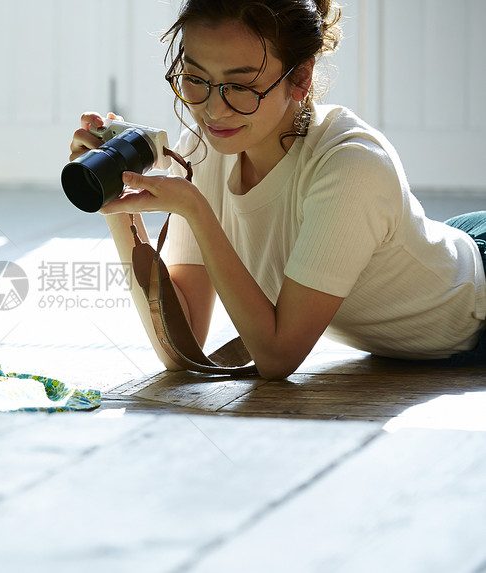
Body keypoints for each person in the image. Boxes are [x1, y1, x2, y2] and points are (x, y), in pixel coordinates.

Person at [69, 0, 486, 379]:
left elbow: (277, 357)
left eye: (241, 86)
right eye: (196, 78)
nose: (213, 110)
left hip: (475, 303)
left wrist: (197, 212)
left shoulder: (351, 166)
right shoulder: (206, 149)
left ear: (300, 78)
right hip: (438, 255)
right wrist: (115, 191)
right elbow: (183, 343)